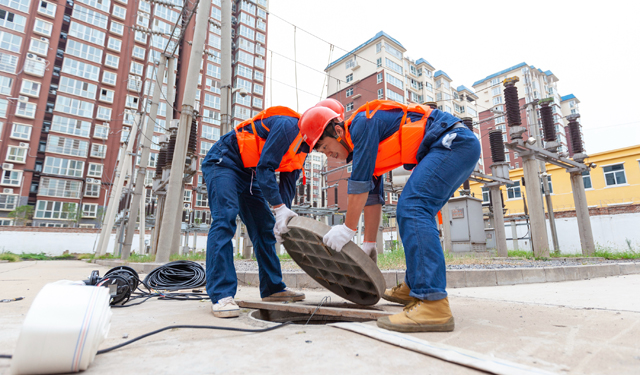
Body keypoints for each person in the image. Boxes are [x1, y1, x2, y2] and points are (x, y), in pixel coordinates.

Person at [297, 100, 481, 332]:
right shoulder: (361, 146)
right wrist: (368, 245)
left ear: (338, 130)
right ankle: (415, 286)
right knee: (414, 208)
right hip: (453, 146)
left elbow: (359, 186)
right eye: (322, 152)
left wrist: (346, 230)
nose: (328, 155)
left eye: (324, 147)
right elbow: (372, 197)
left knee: (413, 207)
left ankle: (433, 305)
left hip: (453, 143)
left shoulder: (363, 125)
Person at [201, 106, 309, 318]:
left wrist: (282, 215)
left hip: (249, 173)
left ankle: (273, 289)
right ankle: (221, 294)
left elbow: (287, 182)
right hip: (224, 161)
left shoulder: (305, 145)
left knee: (265, 228)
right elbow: (265, 168)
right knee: (225, 219)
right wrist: (278, 208)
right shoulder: (288, 125)